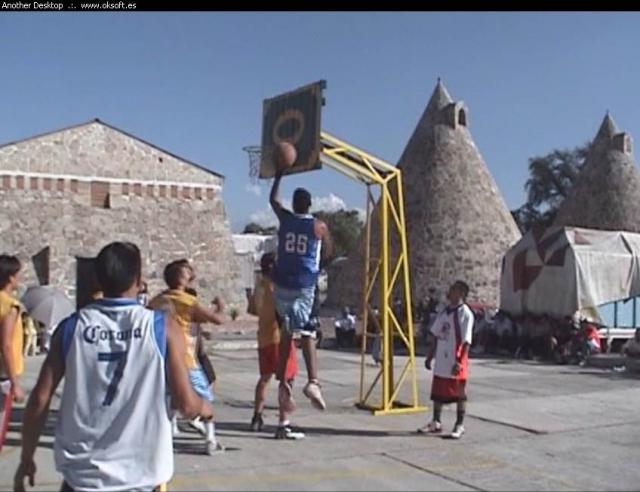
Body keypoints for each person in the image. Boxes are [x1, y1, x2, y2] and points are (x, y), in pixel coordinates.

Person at [13, 242, 214, 492]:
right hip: (141, 476)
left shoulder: (71, 328)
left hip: (82, 478)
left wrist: (26, 458)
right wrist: (204, 407)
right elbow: (185, 403)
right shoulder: (162, 327)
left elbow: (39, 400)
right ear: (138, 280)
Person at [269, 171, 333, 433]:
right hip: (305, 284)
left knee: (286, 334)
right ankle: (313, 381)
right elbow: (328, 251)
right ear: (310, 205)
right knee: (307, 334)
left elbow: (273, 200)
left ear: (294, 205)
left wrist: (279, 174)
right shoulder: (318, 226)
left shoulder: (284, 219)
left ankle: (284, 381)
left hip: (281, 284)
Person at [148, 259, 226, 455]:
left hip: (162, 358)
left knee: (169, 397)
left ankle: (165, 436)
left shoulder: (157, 301)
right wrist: (220, 306)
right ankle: (210, 440)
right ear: (184, 279)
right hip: (185, 358)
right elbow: (217, 319)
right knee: (205, 399)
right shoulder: (187, 300)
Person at [250, 253, 301, 439]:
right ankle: (283, 423)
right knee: (287, 380)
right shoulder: (276, 288)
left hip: (263, 337)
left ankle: (257, 416)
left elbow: (253, 310)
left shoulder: (259, 286)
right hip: (279, 338)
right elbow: (282, 311)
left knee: (264, 378)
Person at [419, 280, 474, 440]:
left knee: (459, 394)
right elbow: (436, 335)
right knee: (437, 393)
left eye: (453, 289)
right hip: (441, 360)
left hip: (455, 360)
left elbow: (466, 341)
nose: (449, 292)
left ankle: (459, 424)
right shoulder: (444, 312)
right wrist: (430, 356)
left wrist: (459, 361)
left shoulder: (465, 314)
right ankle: (436, 422)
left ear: (461, 293)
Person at [0, 255, 26, 404]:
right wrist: (15, 383)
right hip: (4, 373)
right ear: (10, 278)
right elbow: (6, 345)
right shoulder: (10, 306)